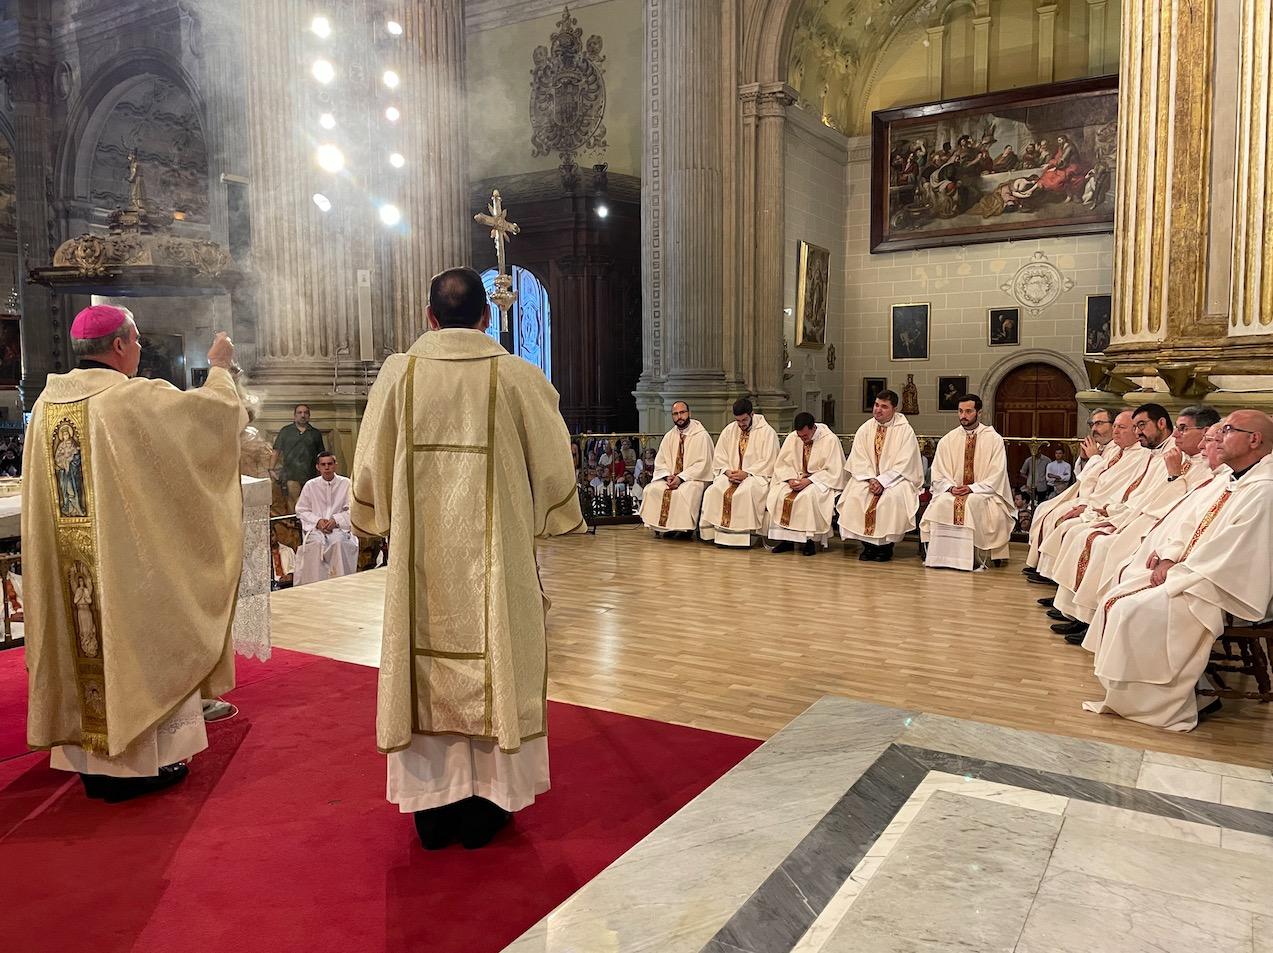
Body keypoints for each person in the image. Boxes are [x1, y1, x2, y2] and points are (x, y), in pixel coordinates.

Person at [350, 267, 583, 851]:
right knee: (501, 657)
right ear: (486, 316)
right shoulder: (516, 377)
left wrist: (372, 519)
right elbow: (556, 469)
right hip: (497, 568)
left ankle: (431, 806)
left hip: (417, 575)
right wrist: (553, 518)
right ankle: (489, 806)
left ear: (429, 318)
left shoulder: (397, 378)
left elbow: (369, 471)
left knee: (420, 666)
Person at [23, 304, 243, 802]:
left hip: (71, 565)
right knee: (138, 635)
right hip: (120, 574)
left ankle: (88, 760)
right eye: (138, 341)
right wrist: (221, 368)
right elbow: (212, 420)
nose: (140, 350)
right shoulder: (130, 401)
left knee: (81, 635)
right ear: (119, 345)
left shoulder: (45, 406)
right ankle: (138, 763)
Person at [1081, 411, 1273, 731]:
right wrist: (1169, 556)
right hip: (1194, 570)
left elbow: (1234, 554)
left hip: (1220, 584)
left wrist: (1178, 571)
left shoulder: (1264, 489)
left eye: (1227, 431)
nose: (1218, 439)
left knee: (1132, 608)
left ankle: (1158, 702)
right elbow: (1190, 521)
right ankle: (1131, 694)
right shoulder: (1234, 478)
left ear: (1254, 439)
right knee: (1118, 594)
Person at [1049, 408, 1220, 640]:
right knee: (1090, 538)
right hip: (1142, 517)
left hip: (1159, 526)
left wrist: (1172, 476)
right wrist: (1117, 516)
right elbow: (1143, 495)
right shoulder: (1172, 456)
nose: (1178, 435)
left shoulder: (1199, 466)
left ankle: (1091, 620)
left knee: (1103, 547)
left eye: (1183, 429)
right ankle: (1078, 613)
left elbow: (1180, 506)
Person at [1025, 409, 1146, 580]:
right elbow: (1089, 478)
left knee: (1062, 519)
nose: (1094, 429)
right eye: (1092, 424)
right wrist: (1084, 459)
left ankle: (1051, 573)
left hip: (1103, 504)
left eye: (1099, 424)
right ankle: (1043, 566)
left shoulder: (1136, 454)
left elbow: (1109, 484)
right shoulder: (1116, 449)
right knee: (1045, 509)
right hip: (1092, 499)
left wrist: (1094, 460)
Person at [919, 394, 1016, 570]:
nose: (963, 415)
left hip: (983, 493)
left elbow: (997, 474)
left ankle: (970, 560)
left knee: (971, 504)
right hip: (952, 491)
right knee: (941, 502)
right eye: (961, 411)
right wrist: (950, 487)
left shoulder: (994, 439)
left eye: (969, 411)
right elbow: (938, 472)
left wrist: (971, 488)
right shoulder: (948, 439)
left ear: (980, 413)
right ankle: (940, 558)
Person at [837, 390, 923, 562]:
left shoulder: (905, 431)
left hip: (897, 480)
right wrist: (871, 479)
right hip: (868, 479)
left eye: (884, 407)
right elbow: (858, 458)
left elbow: (905, 463)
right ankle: (867, 546)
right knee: (856, 495)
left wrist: (883, 481)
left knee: (890, 499)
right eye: (876, 405)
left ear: (894, 409)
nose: (878, 410)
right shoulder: (865, 428)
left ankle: (885, 547)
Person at [699, 398, 780, 548]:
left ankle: (743, 539)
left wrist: (747, 473)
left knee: (746, 491)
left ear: (752, 414)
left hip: (756, 477)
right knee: (714, 490)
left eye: (744, 420)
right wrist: (727, 471)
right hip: (732, 475)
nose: (741, 424)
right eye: (738, 420)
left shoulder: (768, 433)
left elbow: (770, 462)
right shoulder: (729, 430)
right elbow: (719, 457)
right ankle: (719, 536)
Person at [765, 412, 846, 556]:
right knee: (780, 493)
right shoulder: (793, 437)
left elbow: (834, 471)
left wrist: (809, 481)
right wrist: (790, 479)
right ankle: (786, 540)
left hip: (819, 481)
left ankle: (809, 541)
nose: (802, 439)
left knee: (807, 497)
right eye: (800, 436)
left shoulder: (829, 440)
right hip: (795, 478)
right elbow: (782, 464)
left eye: (805, 436)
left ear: (813, 428)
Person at [639, 401, 714, 539]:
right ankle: (666, 527)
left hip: (695, 478)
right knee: (652, 489)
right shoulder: (669, 436)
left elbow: (703, 464)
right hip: (672, 477)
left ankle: (685, 530)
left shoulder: (701, 436)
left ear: (689, 413)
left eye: (682, 412)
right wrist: (667, 476)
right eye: (675, 414)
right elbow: (661, 461)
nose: (679, 416)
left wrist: (681, 478)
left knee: (686, 491)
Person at [293, 451, 360, 585]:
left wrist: (336, 520)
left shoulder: (346, 483)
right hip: (316, 529)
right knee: (316, 545)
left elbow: (354, 509)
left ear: (335, 465)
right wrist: (317, 521)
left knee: (338, 543)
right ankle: (315, 586)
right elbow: (301, 509)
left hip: (339, 529)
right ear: (318, 467)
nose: (327, 467)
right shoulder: (310, 485)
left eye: (330, 464)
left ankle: (342, 584)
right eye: (323, 464)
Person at [272, 403, 326, 512]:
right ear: (294, 415)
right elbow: (276, 450)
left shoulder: (315, 433)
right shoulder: (286, 431)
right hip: (291, 473)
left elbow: (321, 455)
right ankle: (294, 525)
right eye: (299, 413)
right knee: (293, 500)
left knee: (309, 502)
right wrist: (271, 469)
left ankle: (306, 526)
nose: (303, 415)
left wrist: (323, 472)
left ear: (309, 416)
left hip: (310, 474)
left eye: (305, 413)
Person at [270, 523, 296, 589]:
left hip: (289, 584)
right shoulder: (262, 556)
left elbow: (296, 568)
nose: (271, 539)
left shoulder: (288, 550)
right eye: (268, 537)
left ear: (277, 535)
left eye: (272, 535)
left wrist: (290, 575)